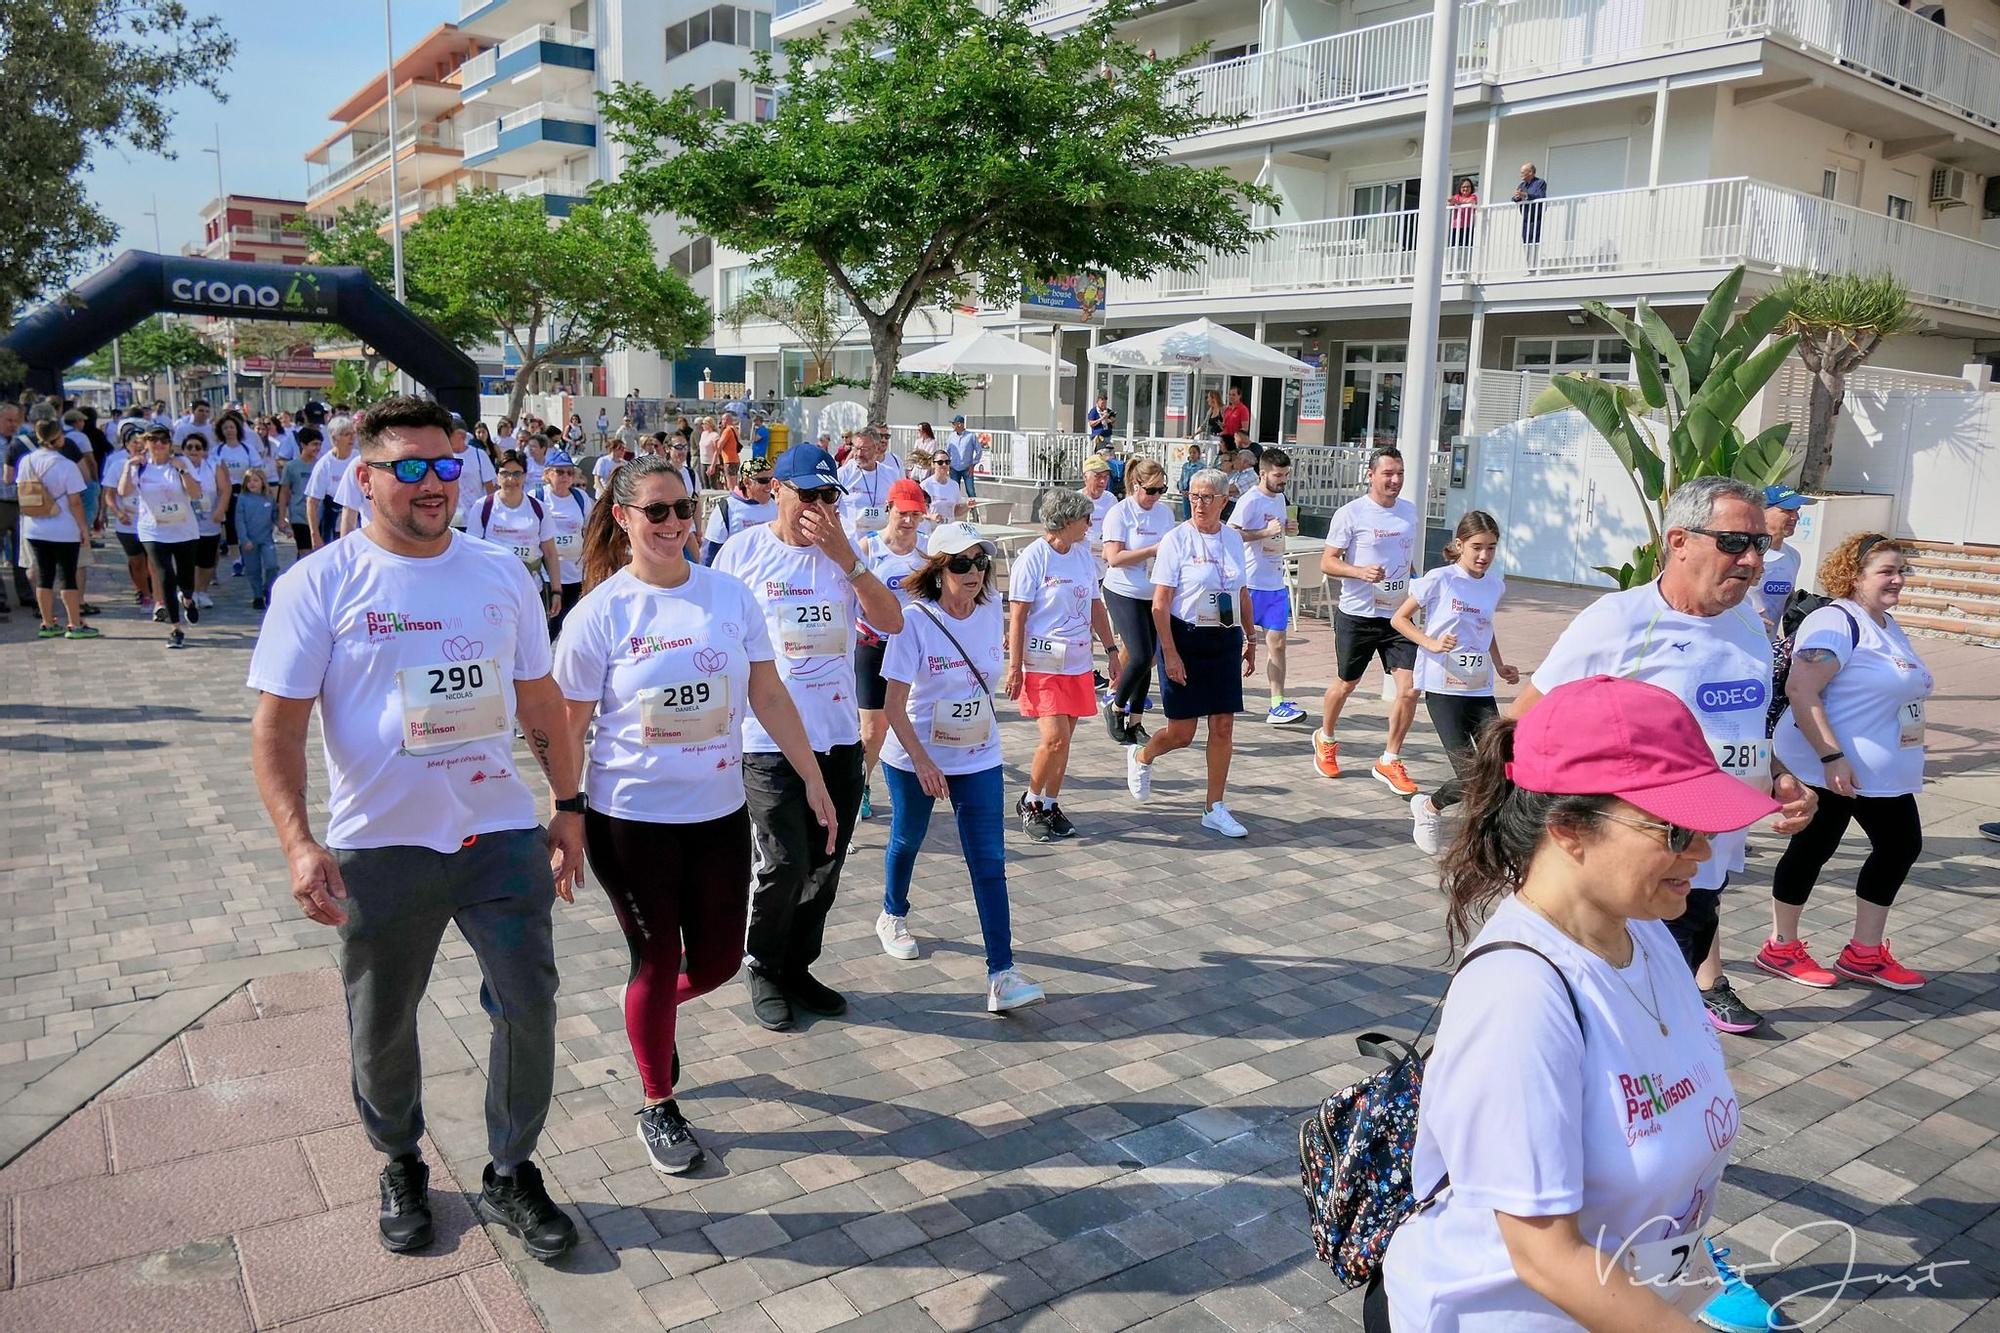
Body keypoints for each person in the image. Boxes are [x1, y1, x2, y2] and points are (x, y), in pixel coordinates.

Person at [247, 395, 585, 1261]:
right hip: (382, 845)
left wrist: (570, 802)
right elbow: (277, 727)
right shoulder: (317, 584)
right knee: (382, 1017)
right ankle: (400, 1157)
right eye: (411, 468)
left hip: (500, 835)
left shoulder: (500, 572)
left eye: (447, 465)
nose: (435, 484)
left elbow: (540, 698)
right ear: (362, 478)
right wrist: (298, 841)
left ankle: (511, 1168)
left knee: (529, 1006)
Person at [1382, 675, 1781, 1332]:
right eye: (1677, 829)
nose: (1704, 851)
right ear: (1569, 828)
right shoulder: (1519, 996)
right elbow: (1544, 1255)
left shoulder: (1647, 931)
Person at [553, 454, 834, 1173]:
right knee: (658, 956)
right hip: (629, 818)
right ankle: (657, 1099)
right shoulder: (599, 615)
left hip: (718, 811)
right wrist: (566, 812)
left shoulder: (728, 597)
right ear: (623, 517)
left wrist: (812, 777)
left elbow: (770, 697)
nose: (675, 524)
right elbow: (567, 727)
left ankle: (651, 1011)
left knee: (712, 960)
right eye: (657, 511)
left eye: (685, 510)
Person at [1513, 476, 1818, 1043]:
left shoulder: (1751, 623)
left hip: (1705, 861)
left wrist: (1779, 776)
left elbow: (1744, 726)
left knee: (1662, 1019)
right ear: (1679, 540)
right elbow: (1524, 724)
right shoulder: (1620, 619)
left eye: (1759, 544)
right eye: (1734, 542)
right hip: (1629, 867)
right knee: (1619, 1024)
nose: (1753, 559)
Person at [714, 444, 904, 1032]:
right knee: (784, 859)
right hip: (766, 740)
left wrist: (845, 556)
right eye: (807, 495)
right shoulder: (742, 553)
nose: (818, 508)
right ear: (778, 490)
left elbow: (891, 621)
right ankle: (764, 964)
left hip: (837, 736)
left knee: (826, 859)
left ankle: (798, 964)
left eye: (829, 497)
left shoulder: (846, 558)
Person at [877, 520, 1045, 1012]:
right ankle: (892, 912)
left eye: (980, 562)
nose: (974, 572)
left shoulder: (990, 610)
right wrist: (923, 760)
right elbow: (891, 705)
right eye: (962, 563)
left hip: (979, 755)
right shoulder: (914, 621)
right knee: (908, 837)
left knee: (989, 862)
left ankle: (1002, 973)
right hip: (915, 756)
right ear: (939, 569)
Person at [1762, 533, 1933, 992]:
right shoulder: (1834, 622)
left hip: (1876, 772)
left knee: (1899, 847)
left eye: (1902, 570)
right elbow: (1802, 690)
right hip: (1828, 766)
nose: (1898, 579)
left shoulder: (1886, 623)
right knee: (1814, 849)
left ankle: (1864, 952)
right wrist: (1831, 755)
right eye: (1887, 571)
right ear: (1854, 577)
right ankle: (1781, 946)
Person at [1125, 468, 1254, 837]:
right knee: (1182, 733)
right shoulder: (1176, 540)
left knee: (1223, 725)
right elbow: (1160, 604)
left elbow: (1242, 592)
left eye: (1207, 497)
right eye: (1193, 496)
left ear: (1223, 501)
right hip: (1184, 637)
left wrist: (1251, 639)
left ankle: (1214, 806)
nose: (1198, 504)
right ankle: (1141, 755)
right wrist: (1171, 652)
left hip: (1224, 638)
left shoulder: (1232, 539)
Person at [1392, 510, 1519, 855]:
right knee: (1470, 774)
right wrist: (1430, 643)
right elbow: (1399, 619)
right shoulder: (1440, 579)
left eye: (1491, 548)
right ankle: (1429, 807)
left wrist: (1500, 664)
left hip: (1479, 686)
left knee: (1505, 765)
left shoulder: (1495, 585)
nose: (1484, 556)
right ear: (1459, 544)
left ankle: (1491, 837)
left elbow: (1484, 629)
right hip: (1443, 688)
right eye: (1477, 547)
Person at [1005, 488, 1120, 842]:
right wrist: (1015, 667)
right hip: (1041, 663)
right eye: (1085, 518)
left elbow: (1096, 607)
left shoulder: (1083, 555)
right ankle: (1032, 802)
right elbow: (1018, 615)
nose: (1090, 524)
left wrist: (1112, 649)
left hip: (1077, 662)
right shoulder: (1034, 558)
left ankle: (1050, 803)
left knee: (1065, 741)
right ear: (1066, 521)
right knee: (1053, 739)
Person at [1313, 447, 1422, 796]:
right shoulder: (1351, 514)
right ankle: (1325, 737)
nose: (1395, 480)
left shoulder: (1410, 513)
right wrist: (1359, 572)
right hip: (1358, 614)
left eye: (1400, 473)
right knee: (1346, 683)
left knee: (1409, 690)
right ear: (1370, 475)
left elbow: (1407, 562)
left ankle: (1390, 759)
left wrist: (1419, 590)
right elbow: (1327, 562)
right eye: (1388, 473)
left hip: (1398, 617)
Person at [855, 480, 931, 821]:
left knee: (913, 721)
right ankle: (861, 786)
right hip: (873, 645)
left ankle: (914, 781)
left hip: (911, 650)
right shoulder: (868, 548)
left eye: (916, 515)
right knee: (873, 729)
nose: (909, 522)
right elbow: (852, 600)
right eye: (903, 514)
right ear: (889, 509)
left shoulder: (928, 552)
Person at [1100, 457, 1175, 745]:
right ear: (1135, 485)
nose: (1155, 497)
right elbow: (1114, 557)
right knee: (1140, 654)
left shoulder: (1164, 513)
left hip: (1153, 590)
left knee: (1150, 656)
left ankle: (1136, 721)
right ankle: (1116, 706)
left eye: (1161, 490)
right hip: (1123, 590)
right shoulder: (1119, 513)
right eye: (1151, 490)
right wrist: (1152, 549)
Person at [1226, 447, 1303, 724]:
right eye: (1278, 475)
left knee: (1278, 644)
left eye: (1285, 475)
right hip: (1250, 583)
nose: (1283, 480)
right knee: (1234, 645)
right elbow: (1231, 533)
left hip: (1275, 582)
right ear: (1262, 473)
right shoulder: (1250, 500)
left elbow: (1278, 531)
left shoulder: (1280, 497)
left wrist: (1288, 528)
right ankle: (1222, 697)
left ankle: (1277, 703)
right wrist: (1263, 533)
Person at [14, 418, 99, 639]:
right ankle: (75, 623)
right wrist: (83, 528)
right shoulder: (66, 465)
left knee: (44, 576)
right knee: (67, 576)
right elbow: (76, 502)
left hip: (34, 527)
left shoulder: (26, 461)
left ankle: (47, 622)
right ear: (58, 436)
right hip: (64, 528)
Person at [124, 427, 202, 648]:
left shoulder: (181, 464)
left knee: (186, 576)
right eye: (153, 440)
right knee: (165, 576)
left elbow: (196, 494)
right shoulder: (140, 467)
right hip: (153, 530)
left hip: (184, 529)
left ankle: (187, 598)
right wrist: (128, 467)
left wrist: (183, 471)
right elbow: (123, 491)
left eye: (163, 441)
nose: (158, 444)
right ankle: (175, 628)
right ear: (146, 443)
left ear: (169, 444)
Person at [470, 450, 563, 625]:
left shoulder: (539, 509)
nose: (511, 480)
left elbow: (550, 553)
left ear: (524, 476)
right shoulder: (482, 507)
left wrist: (557, 590)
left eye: (516, 474)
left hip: (530, 589)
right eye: (505, 474)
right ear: (497, 477)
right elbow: (472, 553)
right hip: (493, 591)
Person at [533, 450, 592, 638]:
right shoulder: (537, 497)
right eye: (560, 472)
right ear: (547, 474)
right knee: (548, 627)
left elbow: (589, 531)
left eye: (570, 472)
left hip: (575, 574)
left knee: (571, 626)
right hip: (547, 575)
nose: (566, 477)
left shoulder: (581, 498)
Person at [1747, 484, 1814, 637]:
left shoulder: (1793, 556)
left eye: (1797, 511)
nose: (1795, 517)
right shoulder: (1745, 553)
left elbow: (1786, 603)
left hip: (1768, 648)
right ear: (1762, 513)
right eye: (1788, 510)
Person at [102, 422, 151, 609]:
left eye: (141, 442)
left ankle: (157, 594)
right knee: (136, 561)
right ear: (126, 445)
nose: (138, 446)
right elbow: (109, 494)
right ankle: (144, 592)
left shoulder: (155, 464)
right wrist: (117, 512)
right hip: (128, 522)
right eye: (134, 442)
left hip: (152, 521)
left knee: (153, 561)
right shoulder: (118, 466)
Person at [180, 431, 229, 608]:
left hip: (209, 520)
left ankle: (202, 591)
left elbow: (224, 490)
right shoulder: (177, 466)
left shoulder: (213, 465)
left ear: (204, 451)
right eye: (189, 447)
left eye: (198, 447)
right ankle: (189, 591)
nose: (193, 450)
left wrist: (221, 509)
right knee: (188, 560)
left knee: (207, 560)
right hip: (184, 522)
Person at [702, 462, 778, 562]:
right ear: (747, 482)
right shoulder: (727, 508)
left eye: (772, 479)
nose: (769, 486)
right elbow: (710, 553)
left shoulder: (777, 504)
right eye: (763, 481)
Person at [305, 415, 356, 548]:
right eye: (346, 434)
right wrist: (314, 535)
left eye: (353, 433)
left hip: (358, 519)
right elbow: (312, 502)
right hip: (332, 521)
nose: (352, 437)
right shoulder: (324, 465)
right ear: (335, 438)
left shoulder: (359, 458)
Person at [236, 467, 280, 611]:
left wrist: (284, 528)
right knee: (253, 569)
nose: (252, 484)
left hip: (266, 539)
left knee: (272, 565)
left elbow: (275, 516)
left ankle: (267, 588)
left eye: (255, 480)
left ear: (262, 482)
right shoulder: (242, 499)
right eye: (249, 481)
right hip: (249, 540)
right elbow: (239, 521)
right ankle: (257, 596)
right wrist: (244, 539)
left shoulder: (269, 498)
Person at [837, 427, 895, 538]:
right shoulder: (843, 475)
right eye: (855, 448)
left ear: (877, 448)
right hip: (851, 546)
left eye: (864, 449)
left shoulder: (891, 475)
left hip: (881, 545)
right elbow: (829, 511)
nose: (859, 454)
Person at [279, 427, 321, 552]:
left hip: (318, 516)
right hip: (298, 515)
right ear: (303, 444)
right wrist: (281, 518)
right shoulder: (291, 466)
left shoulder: (321, 465)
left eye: (319, 444)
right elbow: (284, 492)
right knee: (305, 552)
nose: (317, 448)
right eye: (314, 444)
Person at [922, 450, 969, 523]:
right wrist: (931, 516)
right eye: (940, 462)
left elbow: (956, 512)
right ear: (933, 464)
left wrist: (967, 506)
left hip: (948, 529)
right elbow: (917, 511)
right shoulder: (925, 485)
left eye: (947, 462)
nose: (944, 465)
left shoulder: (954, 485)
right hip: (930, 530)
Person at [944, 415, 983, 496]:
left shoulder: (971, 436)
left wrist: (973, 464)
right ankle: (955, 508)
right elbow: (946, 451)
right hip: (954, 468)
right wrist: (947, 464)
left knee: (970, 491)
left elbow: (979, 451)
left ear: (959, 424)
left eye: (953, 424)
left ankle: (973, 508)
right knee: (954, 491)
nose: (952, 426)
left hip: (967, 468)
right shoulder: (951, 436)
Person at [1513, 161, 1547, 248]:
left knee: (1534, 242)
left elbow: (1540, 197)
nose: (1520, 174)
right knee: (1526, 241)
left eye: (1523, 172)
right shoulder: (1522, 185)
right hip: (1526, 217)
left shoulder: (1540, 183)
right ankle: (1528, 261)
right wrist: (1517, 197)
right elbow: (1515, 198)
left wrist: (1526, 195)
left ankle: (1533, 261)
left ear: (1530, 172)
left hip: (1536, 217)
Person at [1447, 176, 1479, 253]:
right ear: (1460, 188)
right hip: (1455, 226)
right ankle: (1453, 263)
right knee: (1454, 247)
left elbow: (1472, 202)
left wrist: (1458, 203)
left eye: (1468, 187)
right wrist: (1451, 202)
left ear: (1471, 188)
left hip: (1468, 226)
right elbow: (1449, 205)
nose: (1465, 189)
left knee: (1467, 248)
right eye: (1463, 187)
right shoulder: (1456, 197)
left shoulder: (1473, 197)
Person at [1176, 442, 1203, 521]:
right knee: (1186, 513)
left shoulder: (1201, 466)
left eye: (1194, 453)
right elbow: (1182, 478)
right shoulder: (1185, 466)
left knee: (1194, 512)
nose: (1192, 455)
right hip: (1185, 491)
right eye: (1190, 453)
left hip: (1194, 492)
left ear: (1198, 454)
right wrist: (1181, 489)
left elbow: (1200, 480)